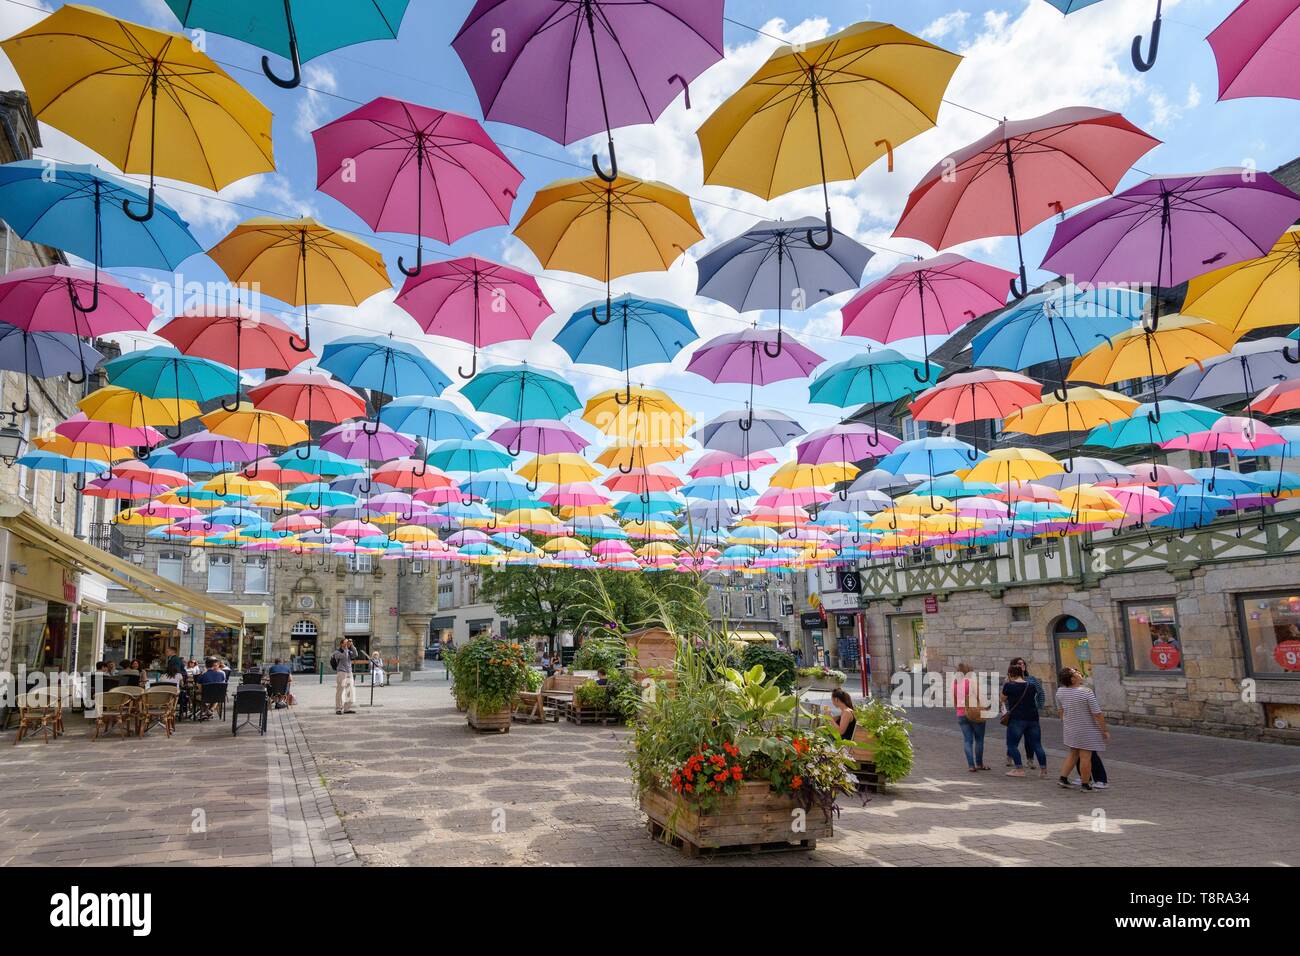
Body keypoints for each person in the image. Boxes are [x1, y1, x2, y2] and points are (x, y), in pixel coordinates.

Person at [1055, 667, 1109, 791]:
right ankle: (1086, 784)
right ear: (1073, 679)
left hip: (1070, 727)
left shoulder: (1060, 692)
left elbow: (1060, 711)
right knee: (1085, 756)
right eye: (1076, 673)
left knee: (1073, 754)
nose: (1079, 674)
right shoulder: (1086, 692)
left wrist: (1067, 721)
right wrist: (1104, 729)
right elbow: (1097, 713)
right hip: (1086, 728)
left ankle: (1063, 778)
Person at [1001, 663, 1047, 777]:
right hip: (1033, 718)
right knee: (1037, 745)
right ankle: (1043, 770)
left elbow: (1002, 699)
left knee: (1012, 744)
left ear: (1010, 674)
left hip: (1017, 718)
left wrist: (1007, 683)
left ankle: (1019, 769)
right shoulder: (1031, 686)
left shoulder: (1009, 686)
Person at [1007, 656, 1044, 767]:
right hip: (1015, 714)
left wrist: (1039, 706)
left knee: (1029, 739)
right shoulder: (1009, 680)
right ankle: (1009, 757)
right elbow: (1005, 697)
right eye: (1019, 663)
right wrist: (1007, 711)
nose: (1022, 665)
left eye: (1023, 664)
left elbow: (1040, 692)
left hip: (1030, 713)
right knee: (1014, 738)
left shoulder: (1031, 679)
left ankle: (1030, 759)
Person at [954, 662, 989, 772]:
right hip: (974, 713)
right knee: (979, 739)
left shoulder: (955, 683)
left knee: (967, 741)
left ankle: (971, 765)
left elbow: (955, 702)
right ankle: (979, 764)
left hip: (961, 714)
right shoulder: (972, 682)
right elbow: (980, 697)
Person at [332, 639, 361, 715]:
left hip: (349, 672)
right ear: (341, 644)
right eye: (345, 642)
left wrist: (352, 646)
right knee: (340, 691)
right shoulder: (337, 652)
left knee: (351, 691)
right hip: (341, 672)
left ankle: (347, 708)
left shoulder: (349, 650)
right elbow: (344, 656)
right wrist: (346, 648)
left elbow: (355, 654)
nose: (347, 643)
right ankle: (338, 708)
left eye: (348, 642)